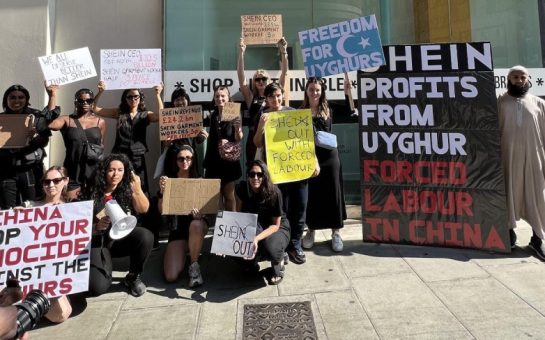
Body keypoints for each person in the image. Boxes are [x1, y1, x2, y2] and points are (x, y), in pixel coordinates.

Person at [254, 82, 315, 264]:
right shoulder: (262, 115)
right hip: (275, 173)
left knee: (300, 207)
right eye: (271, 96)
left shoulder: (293, 113)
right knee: (283, 209)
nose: (275, 99)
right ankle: (283, 244)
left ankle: (295, 244)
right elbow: (257, 143)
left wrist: (314, 162)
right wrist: (261, 127)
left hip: (297, 170)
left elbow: (307, 140)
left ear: (283, 95)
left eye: (278, 95)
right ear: (266, 98)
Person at [87, 154, 153, 297]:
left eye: (120, 170)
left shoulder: (126, 190)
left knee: (145, 236)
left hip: (119, 240)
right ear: (104, 171)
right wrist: (96, 227)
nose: (116, 174)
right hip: (99, 242)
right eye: (111, 170)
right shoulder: (91, 191)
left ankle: (133, 276)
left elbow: (144, 209)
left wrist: (137, 189)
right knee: (97, 288)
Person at [498, 65, 545, 259]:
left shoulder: (538, 103)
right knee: (507, 196)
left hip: (534, 159)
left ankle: (537, 239)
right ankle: (509, 235)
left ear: (528, 79)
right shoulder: (499, 102)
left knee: (538, 198)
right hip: (507, 159)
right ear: (509, 79)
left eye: (522, 77)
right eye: (515, 77)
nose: (519, 80)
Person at [16, 166, 73, 322]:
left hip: (56, 270)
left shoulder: (74, 210)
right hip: (30, 266)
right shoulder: (30, 207)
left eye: (56, 180)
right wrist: (16, 219)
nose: (51, 185)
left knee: (62, 314)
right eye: (47, 182)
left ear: (65, 181)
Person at [301, 77, 348, 252]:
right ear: (306, 91)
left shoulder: (329, 109)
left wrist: (348, 91)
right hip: (310, 158)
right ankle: (311, 230)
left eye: (317, 90)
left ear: (322, 92)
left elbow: (351, 110)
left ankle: (336, 232)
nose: (314, 93)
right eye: (311, 89)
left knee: (333, 193)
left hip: (330, 158)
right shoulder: (301, 111)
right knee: (312, 194)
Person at [0, 83, 60, 209]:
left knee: (33, 205)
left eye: (21, 97)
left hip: (30, 169)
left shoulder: (35, 117)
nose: (17, 100)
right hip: (6, 171)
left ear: (26, 100)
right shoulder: (1, 119)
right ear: (6, 100)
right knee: (7, 209)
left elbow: (45, 138)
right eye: (13, 97)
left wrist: (35, 137)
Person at [93, 81, 161, 193]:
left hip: (137, 156)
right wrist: (100, 92)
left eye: (136, 96)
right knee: (119, 182)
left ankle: (139, 209)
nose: (133, 99)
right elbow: (95, 109)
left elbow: (160, 116)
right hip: (120, 154)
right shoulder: (119, 113)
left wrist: (158, 94)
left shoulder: (145, 114)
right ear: (125, 99)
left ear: (140, 98)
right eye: (129, 97)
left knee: (139, 183)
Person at [158, 144, 208, 287]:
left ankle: (194, 265)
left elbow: (208, 211)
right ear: (175, 161)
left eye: (188, 158)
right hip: (178, 230)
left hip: (196, 225)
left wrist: (201, 214)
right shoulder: (168, 181)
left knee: (196, 225)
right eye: (181, 159)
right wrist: (163, 193)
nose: (185, 161)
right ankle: (188, 250)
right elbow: (161, 210)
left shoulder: (200, 179)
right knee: (171, 276)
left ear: (193, 160)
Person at [235, 160, 290, 285]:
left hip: (277, 228)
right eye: (252, 174)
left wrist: (256, 239)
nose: (255, 178)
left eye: (259, 175)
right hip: (254, 226)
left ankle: (278, 262)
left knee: (270, 246)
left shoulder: (274, 193)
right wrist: (225, 243)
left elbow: (276, 225)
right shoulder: (242, 188)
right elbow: (238, 217)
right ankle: (251, 264)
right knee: (234, 247)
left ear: (265, 176)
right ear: (247, 175)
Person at [237, 37, 289, 165]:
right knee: (255, 170)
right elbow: (241, 79)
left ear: (269, 80)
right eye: (257, 79)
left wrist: (284, 52)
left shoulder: (276, 95)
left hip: (275, 135)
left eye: (264, 79)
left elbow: (284, 74)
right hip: (255, 136)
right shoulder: (251, 97)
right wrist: (241, 53)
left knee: (275, 168)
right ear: (254, 82)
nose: (261, 81)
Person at [48, 88, 106, 200]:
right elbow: (50, 123)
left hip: (94, 172)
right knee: (72, 206)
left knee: (94, 209)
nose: (85, 103)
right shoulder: (67, 120)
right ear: (75, 102)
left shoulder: (100, 122)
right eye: (81, 101)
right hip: (73, 171)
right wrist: (52, 95)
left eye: (89, 101)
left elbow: (101, 145)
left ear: (92, 102)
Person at [203, 85, 243, 211]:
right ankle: (220, 224)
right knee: (216, 196)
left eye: (222, 96)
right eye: (217, 96)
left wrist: (237, 129)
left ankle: (231, 224)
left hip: (228, 161)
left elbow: (239, 138)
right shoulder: (213, 115)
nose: (220, 98)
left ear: (228, 97)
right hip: (213, 160)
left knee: (229, 195)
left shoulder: (234, 113)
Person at [154, 83, 208, 175]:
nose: (180, 102)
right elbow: (165, 144)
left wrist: (203, 136)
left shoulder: (194, 116)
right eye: (177, 100)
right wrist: (167, 143)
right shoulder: (168, 118)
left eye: (182, 99)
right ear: (173, 102)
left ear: (187, 100)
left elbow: (198, 140)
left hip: (189, 156)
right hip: (173, 156)